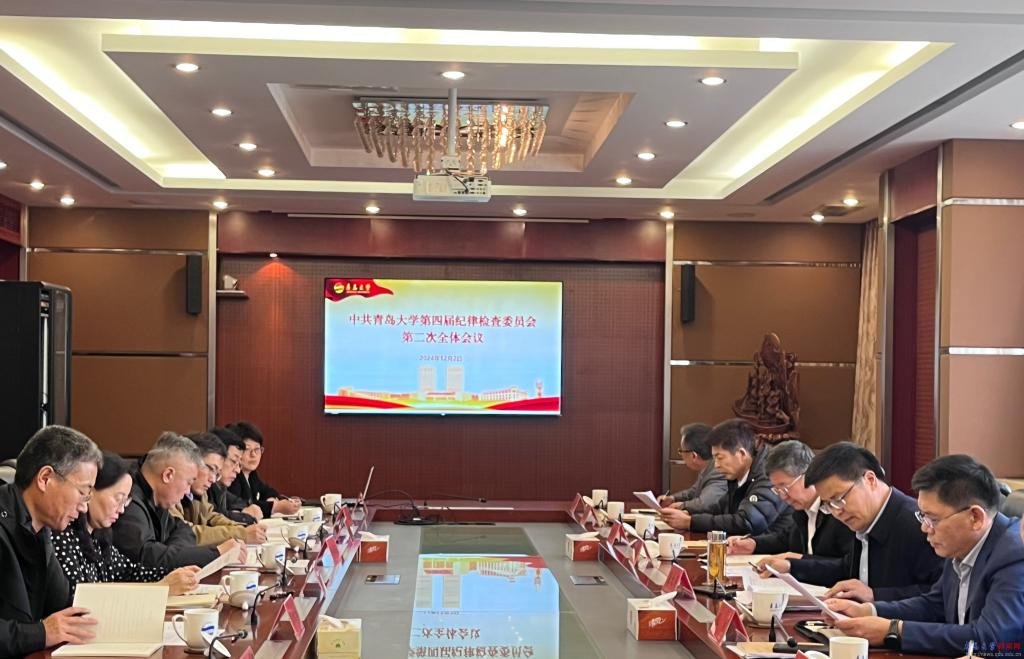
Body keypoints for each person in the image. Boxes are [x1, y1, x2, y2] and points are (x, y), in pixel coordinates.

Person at [826, 455, 1024, 655]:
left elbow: (991, 640)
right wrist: (870, 610)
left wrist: (894, 631)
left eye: (933, 519)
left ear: (975, 517)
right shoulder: (961, 545)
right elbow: (935, 604)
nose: (924, 528)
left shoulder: (1014, 555)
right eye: (923, 516)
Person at [767, 441, 943, 600]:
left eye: (838, 499)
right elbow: (846, 568)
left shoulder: (919, 525)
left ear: (870, 480)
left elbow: (940, 597)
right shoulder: (867, 520)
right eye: (828, 505)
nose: (837, 512)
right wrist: (791, 567)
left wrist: (875, 596)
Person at [0, 426, 102, 657]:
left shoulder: (40, 530)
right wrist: (41, 633)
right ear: (45, 479)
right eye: (83, 492)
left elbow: (62, 605)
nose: (84, 507)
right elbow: (46, 629)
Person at [52, 451, 200, 597]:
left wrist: (173, 575)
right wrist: (162, 588)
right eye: (118, 499)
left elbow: (130, 572)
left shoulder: (99, 536)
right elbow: (78, 599)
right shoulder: (62, 534)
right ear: (90, 490)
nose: (122, 509)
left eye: (125, 501)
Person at [112, 432, 241, 570]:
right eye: (188, 482)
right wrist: (216, 554)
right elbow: (147, 559)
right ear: (168, 475)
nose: (187, 491)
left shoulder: (157, 498)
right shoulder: (128, 501)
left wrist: (171, 553)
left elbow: (183, 530)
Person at [729, 440, 853, 562]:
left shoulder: (838, 511)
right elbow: (786, 539)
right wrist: (754, 544)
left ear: (808, 475)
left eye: (785, 487)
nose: (783, 496)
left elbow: (846, 566)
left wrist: (798, 562)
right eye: (777, 490)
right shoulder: (803, 510)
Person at [660, 418, 788, 535]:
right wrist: (688, 513)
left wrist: (690, 522)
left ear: (741, 454)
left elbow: (747, 521)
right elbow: (721, 507)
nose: (716, 465)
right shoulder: (740, 473)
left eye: (720, 458)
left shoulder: (770, 473)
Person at [172, 433, 266, 546]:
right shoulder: (171, 493)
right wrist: (241, 534)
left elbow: (210, 516)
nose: (212, 479)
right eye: (211, 469)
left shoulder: (198, 492)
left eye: (216, 473)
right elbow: (186, 533)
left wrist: (241, 528)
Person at [226, 421, 300, 517]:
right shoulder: (232, 477)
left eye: (257, 449)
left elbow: (267, 491)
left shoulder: (251, 474)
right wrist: (275, 506)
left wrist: (271, 499)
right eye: (247, 449)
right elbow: (244, 506)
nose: (253, 455)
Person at [657, 423, 728, 514]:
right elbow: (693, 492)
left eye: (681, 451)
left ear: (694, 455)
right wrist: (672, 498)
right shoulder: (707, 467)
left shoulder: (718, 471)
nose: (681, 455)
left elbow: (705, 504)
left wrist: (682, 505)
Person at [209, 427, 261, 524]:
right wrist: (243, 516)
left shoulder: (220, 487)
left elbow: (237, 502)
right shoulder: (206, 488)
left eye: (239, 464)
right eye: (233, 461)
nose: (238, 470)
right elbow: (213, 517)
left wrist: (241, 510)